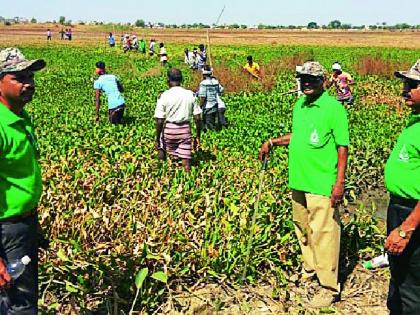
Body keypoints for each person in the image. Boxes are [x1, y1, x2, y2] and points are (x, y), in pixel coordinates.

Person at [259, 61, 349, 308]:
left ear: (323, 81)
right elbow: (298, 137)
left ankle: (329, 286)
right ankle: (310, 271)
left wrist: (339, 183)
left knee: (324, 234)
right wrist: (273, 142)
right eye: (302, 79)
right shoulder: (300, 104)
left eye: (311, 79)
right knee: (303, 229)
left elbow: (343, 148)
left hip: (322, 182)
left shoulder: (334, 109)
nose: (306, 83)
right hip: (298, 179)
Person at [0, 47, 46, 313]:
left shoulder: (20, 118)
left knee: (23, 299)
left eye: (30, 76)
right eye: (19, 77)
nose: (29, 83)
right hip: (6, 229)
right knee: (17, 305)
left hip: (22, 224)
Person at [384, 60, 420, 315]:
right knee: (399, 276)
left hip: (413, 216)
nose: (405, 89)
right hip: (399, 209)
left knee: (412, 285)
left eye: (413, 84)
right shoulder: (415, 122)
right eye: (405, 83)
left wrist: (406, 229)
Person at [154, 68, 202, 172]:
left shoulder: (163, 95)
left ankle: (161, 171)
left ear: (168, 80)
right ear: (181, 80)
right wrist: (198, 135)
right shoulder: (191, 94)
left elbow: (160, 121)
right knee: (186, 159)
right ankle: (188, 177)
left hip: (169, 130)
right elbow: (198, 118)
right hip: (185, 130)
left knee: (162, 148)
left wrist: (157, 139)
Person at [198, 65, 227, 130]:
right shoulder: (216, 82)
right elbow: (221, 90)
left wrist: (200, 106)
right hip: (215, 105)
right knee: (214, 124)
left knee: (209, 126)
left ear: (203, 74)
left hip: (208, 107)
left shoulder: (203, 83)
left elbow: (203, 97)